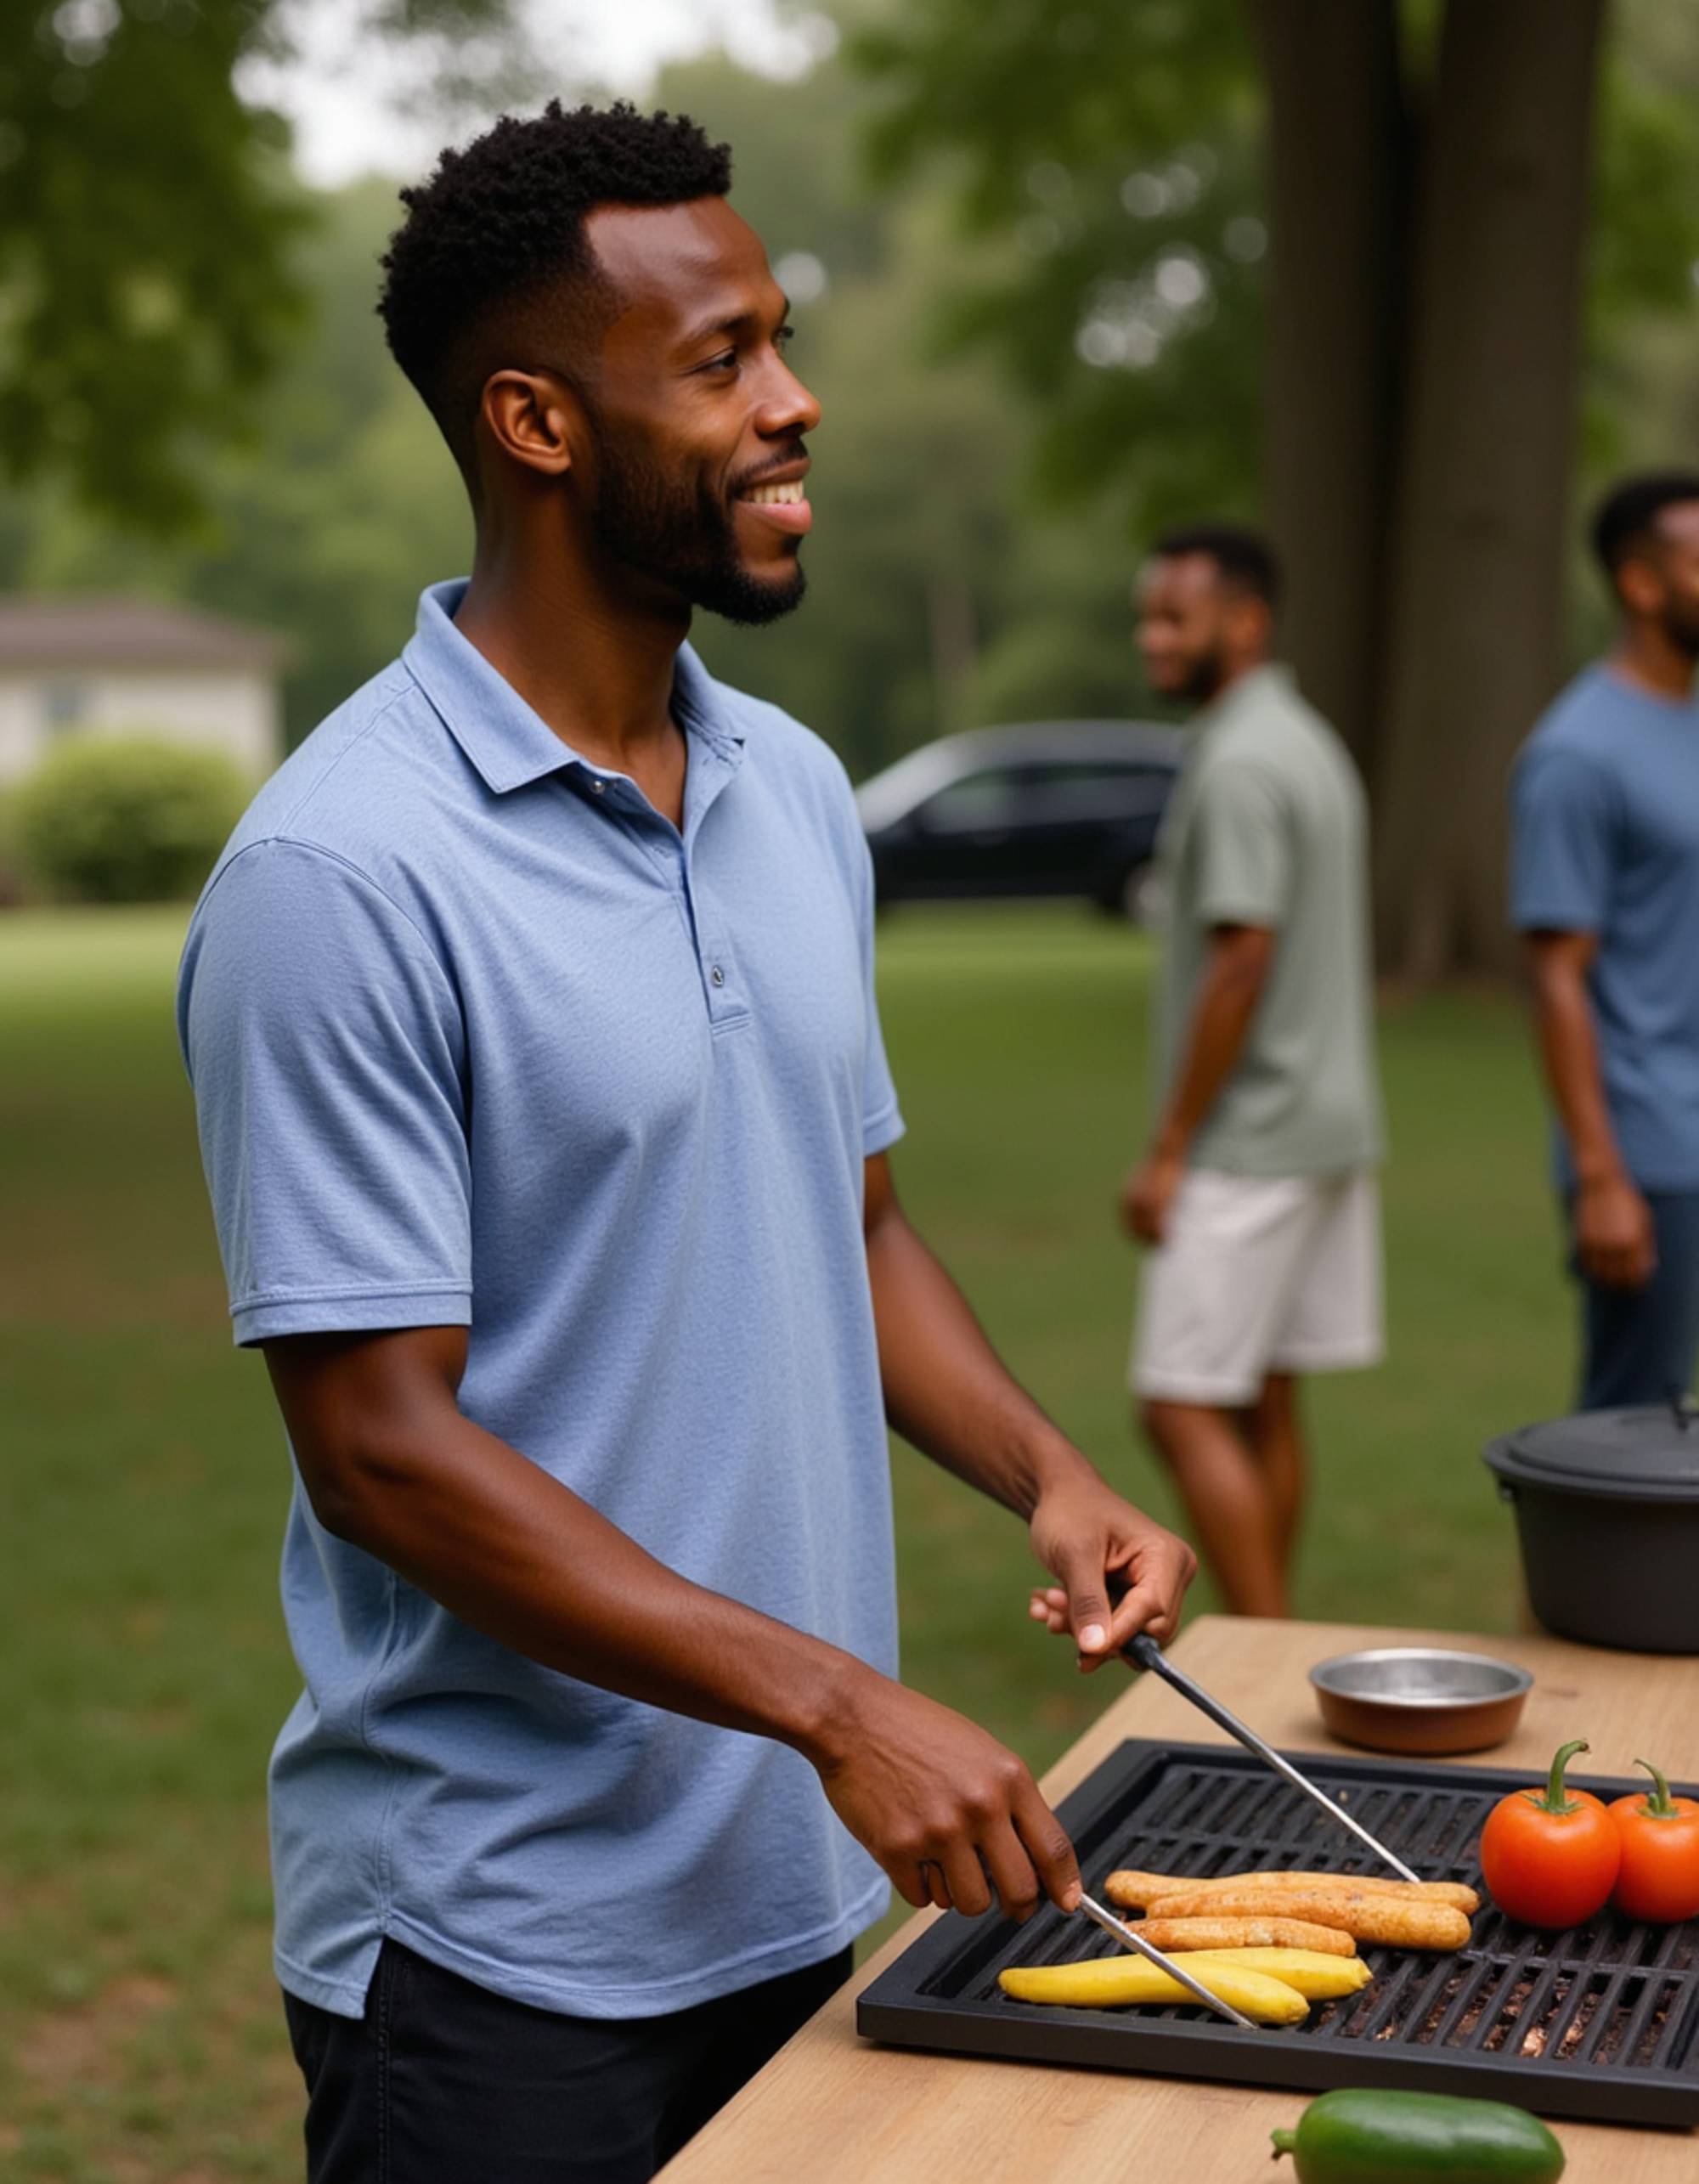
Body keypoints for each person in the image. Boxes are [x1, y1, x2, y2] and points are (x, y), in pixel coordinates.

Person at [175, 102, 1194, 2184]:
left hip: (808, 1899)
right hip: (498, 1955)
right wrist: (834, 1703)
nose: (796, 403)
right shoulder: (338, 873)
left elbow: (853, 1214)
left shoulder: (794, 785)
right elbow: (377, 1447)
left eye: (779, 344)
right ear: (536, 421)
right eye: (723, 359)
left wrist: (1046, 1470)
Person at [1113, 525, 1385, 1620]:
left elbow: (1242, 959)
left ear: (1245, 621)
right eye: (1148, 616)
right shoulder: (1306, 739)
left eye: (1174, 617)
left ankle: (1261, 1647)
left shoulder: (1236, 759)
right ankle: (1278, 1633)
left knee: (1175, 1403)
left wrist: (1170, 1146)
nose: (1152, 638)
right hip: (1330, 1125)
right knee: (1266, 1397)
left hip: (1251, 1135)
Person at [1510, 471, 1699, 1412]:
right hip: (1649, 1153)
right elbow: (1553, 977)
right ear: (1640, 584)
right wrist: (1599, 1178)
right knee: (1633, 1427)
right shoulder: (1574, 755)